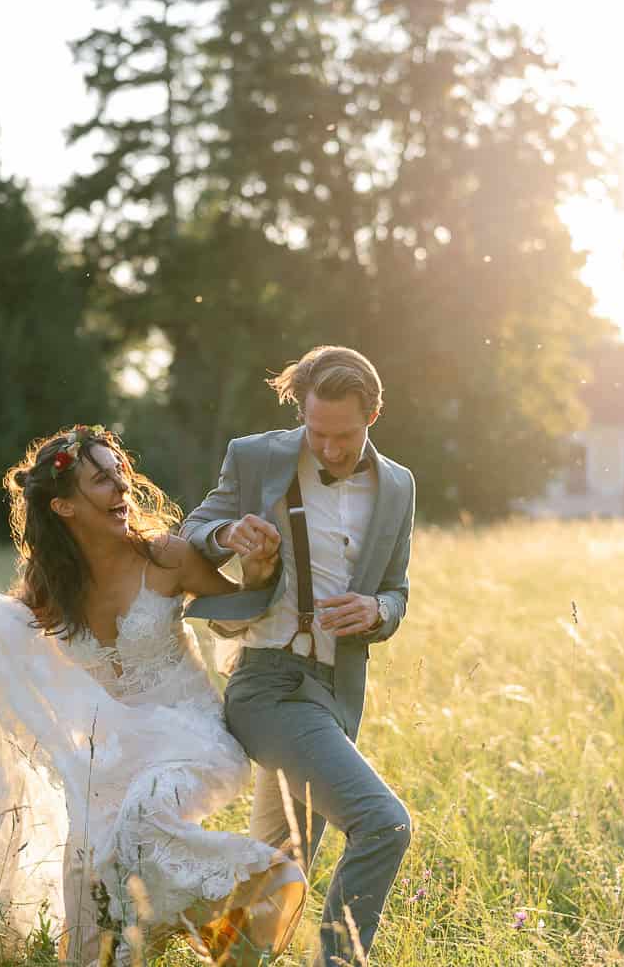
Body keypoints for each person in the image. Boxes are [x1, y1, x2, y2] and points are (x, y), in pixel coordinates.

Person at [0, 425, 305, 966]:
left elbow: (243, 613)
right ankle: (154, 934)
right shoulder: (50, 585)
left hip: (189, 740)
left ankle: (264, 879)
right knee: (85, 903)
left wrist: (258, 567)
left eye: (120, 473)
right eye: (101, 480)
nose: (122, 488)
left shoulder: (165, 556)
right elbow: (6, 631)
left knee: (141, 815)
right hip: (111, 756)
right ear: (64, 507)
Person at [180, 346, 416, 967]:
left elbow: (397, 589)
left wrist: (377, 610)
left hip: (335, 693)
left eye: (345, 435)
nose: (330, 449)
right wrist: (228, 534)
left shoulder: (398, 485)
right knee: (384, 824)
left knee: (275, 881)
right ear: (303, 415)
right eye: (317, 432)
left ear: (373, 415)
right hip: (268, 684)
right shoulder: (255, 456)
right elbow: (193, 531)